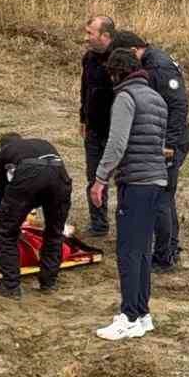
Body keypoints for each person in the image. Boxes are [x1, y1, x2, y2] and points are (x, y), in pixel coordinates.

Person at [91, 48, 167, 341]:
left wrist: (100, 179)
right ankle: (142, 314)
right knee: (142, 251)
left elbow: (117, 143)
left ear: (116, 73)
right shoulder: (157, 98)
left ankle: (129, 317)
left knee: (127, 251)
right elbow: (159, 142)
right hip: (156, 181)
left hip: (136, 183)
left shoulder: (126, 97)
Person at [110, 31, 189, 270]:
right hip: (160, 137)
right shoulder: (150, 63)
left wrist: (169, 143)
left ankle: (164, 256)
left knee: (162, 198)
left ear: (134, 50)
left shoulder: (159, 67)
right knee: (164, 198)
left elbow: (178, 105)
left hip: (169, 143)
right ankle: (169, 248)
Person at [0, 133, 72, 299]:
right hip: (59, 176)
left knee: (7, 233)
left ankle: (11, 286)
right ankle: (48, 282)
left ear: (2, 147)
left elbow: (3, 192)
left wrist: (10, 216)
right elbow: (47, 177)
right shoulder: (41, 143)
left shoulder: (3, 155)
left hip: (30, 173)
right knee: (54, 232)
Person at [79, 14, 115, 236]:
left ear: (105, 35)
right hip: (93, 130)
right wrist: (83, 118)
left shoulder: (120, 59)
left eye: (90, 33)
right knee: (93, 177)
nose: (86, 38)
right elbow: (85, 89)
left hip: (117, 132)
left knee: (124, 180)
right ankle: (98, 224)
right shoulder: (89, 58)